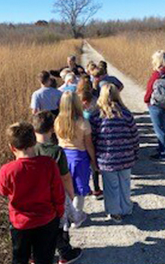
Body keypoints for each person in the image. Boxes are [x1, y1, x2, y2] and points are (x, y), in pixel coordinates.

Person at [0, 122, 65, 264]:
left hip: (20, 222)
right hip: (46, 219)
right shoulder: (49, 164)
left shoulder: (7, 170)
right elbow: (58, 193)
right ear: (34, 141)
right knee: (45, 258)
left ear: (12, 147)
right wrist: (59, 212)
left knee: (20, 258)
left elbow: (3, 191)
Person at [32, 111, 83, 264]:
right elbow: (65, 176)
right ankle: (64, 253)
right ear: (52, 129)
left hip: (35, 193)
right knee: (60, 223)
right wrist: (71, 193)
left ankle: (35, 255)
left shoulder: (29, 149)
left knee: (39, 225)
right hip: (55, 193)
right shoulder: (56, 151)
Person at [90, 84, 139, 223]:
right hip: (126, 157)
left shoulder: (97, 115)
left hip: (106, 158)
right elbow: (134, 135)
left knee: (111, 187)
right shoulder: (126, 113)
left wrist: (93, 158)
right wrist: (135, 151)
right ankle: (126, 208)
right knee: (125, 183)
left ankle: (115, 212)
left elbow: (93, 138)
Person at [54, 91, 98, 223]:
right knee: (79, 189)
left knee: (65, 188)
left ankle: (66, 216)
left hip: (62, 155)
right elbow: (89, 145)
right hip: (79, 156)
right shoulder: (83, 122)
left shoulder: (57, 121)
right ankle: (76, 218)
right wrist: (94, 161)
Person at [144, 50, 165, 160]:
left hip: (156, 104)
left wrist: (147, 100)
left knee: (159, 129)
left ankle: (163, 152)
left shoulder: (157, 74)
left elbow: (149, 89)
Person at [78, 91, 103, 200]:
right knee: (93, 167)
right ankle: (96, 188)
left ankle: (85, 188)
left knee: (86, 168)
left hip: (81, 143)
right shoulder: (92, 113)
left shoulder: (80, 115)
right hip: (91, 141)